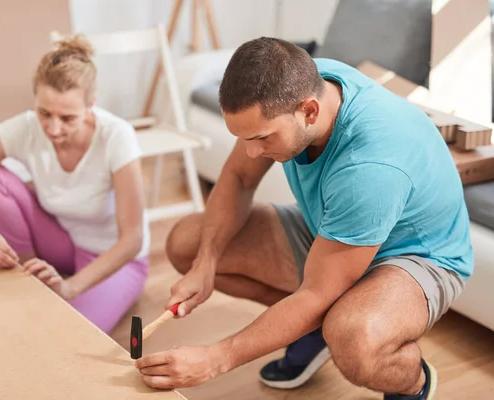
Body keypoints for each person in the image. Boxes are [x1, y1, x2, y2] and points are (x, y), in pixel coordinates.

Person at [134, 37, 473, 399]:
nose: (252, 152)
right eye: (244, 137)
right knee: (189, 242)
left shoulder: (369, 167)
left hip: (415, 257)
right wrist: (206, 264)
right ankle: (313, 331)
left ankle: (412, 384)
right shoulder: (303, 81)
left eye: (262, 137)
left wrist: (216, 359)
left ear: (309, 111)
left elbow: (315, 293)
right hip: (334, 230)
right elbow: (237, 177)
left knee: (354, 339)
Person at [0, 34, 150, 335]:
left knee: (63, 334)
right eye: (44, 113)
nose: (53, 128)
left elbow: (131, 240)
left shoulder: (117, 136)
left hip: (115, 258)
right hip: (64, 241)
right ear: (35, 101)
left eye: (67, 118)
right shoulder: (24, 128)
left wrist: (69, 287)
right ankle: (27, 275)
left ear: (91, 104)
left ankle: (55, 289)